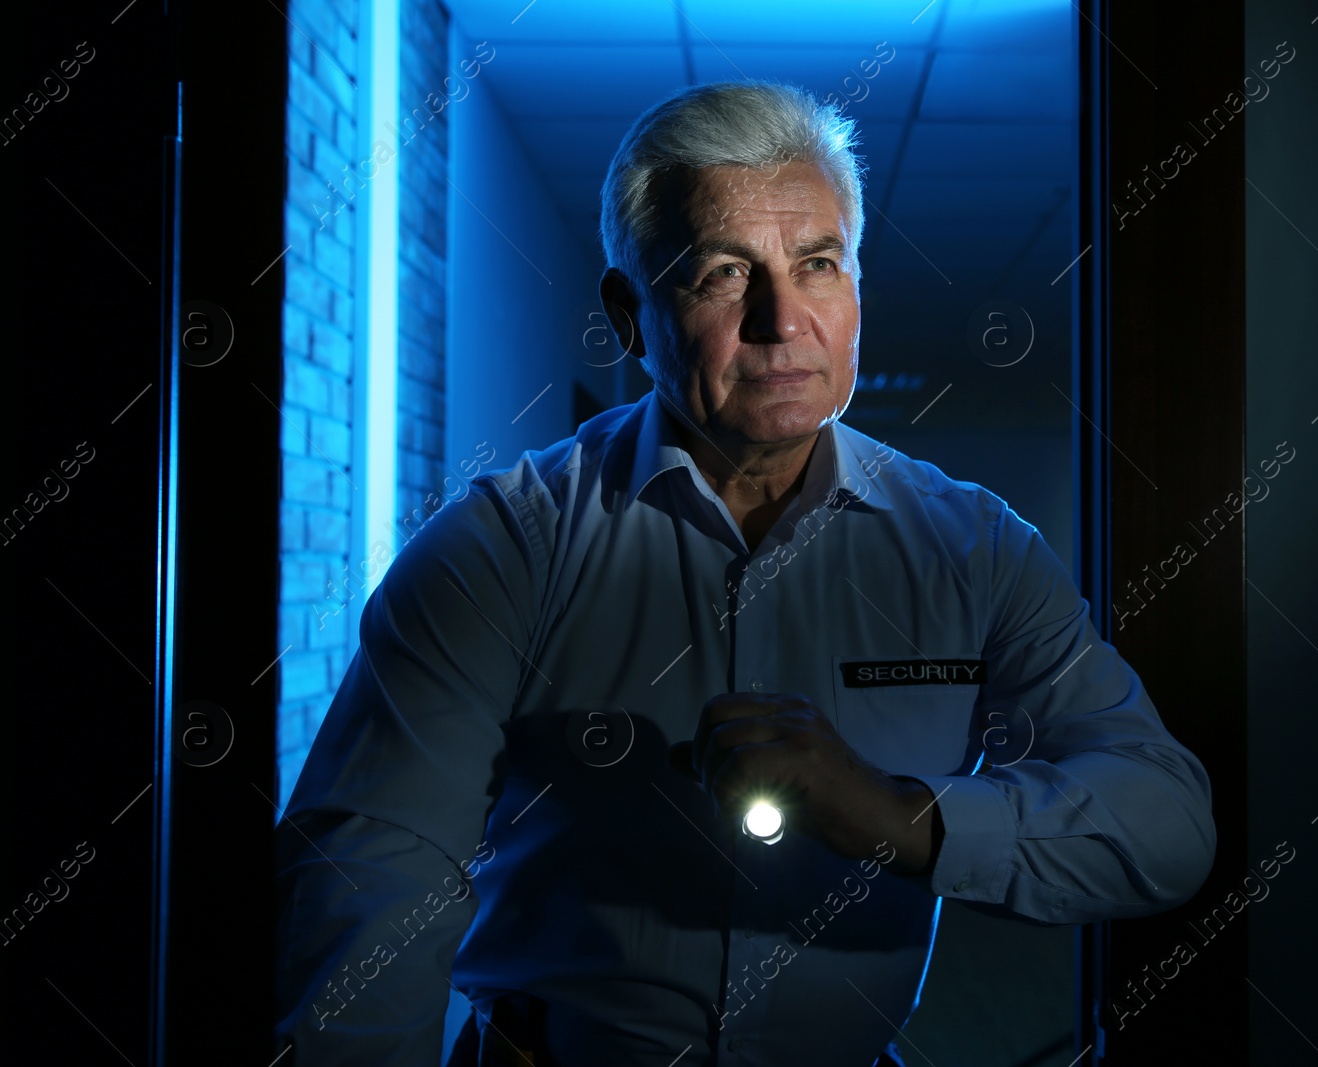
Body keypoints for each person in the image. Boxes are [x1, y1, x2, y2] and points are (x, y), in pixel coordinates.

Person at [274, 79, 1215, 1067]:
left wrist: (898, 815)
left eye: (818, 264)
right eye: (723, 273)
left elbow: (1165, 825)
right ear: (629, 315)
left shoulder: (974, 547)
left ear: (857, 290)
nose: (781, 319)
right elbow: (371, 879)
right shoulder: (502, 544)